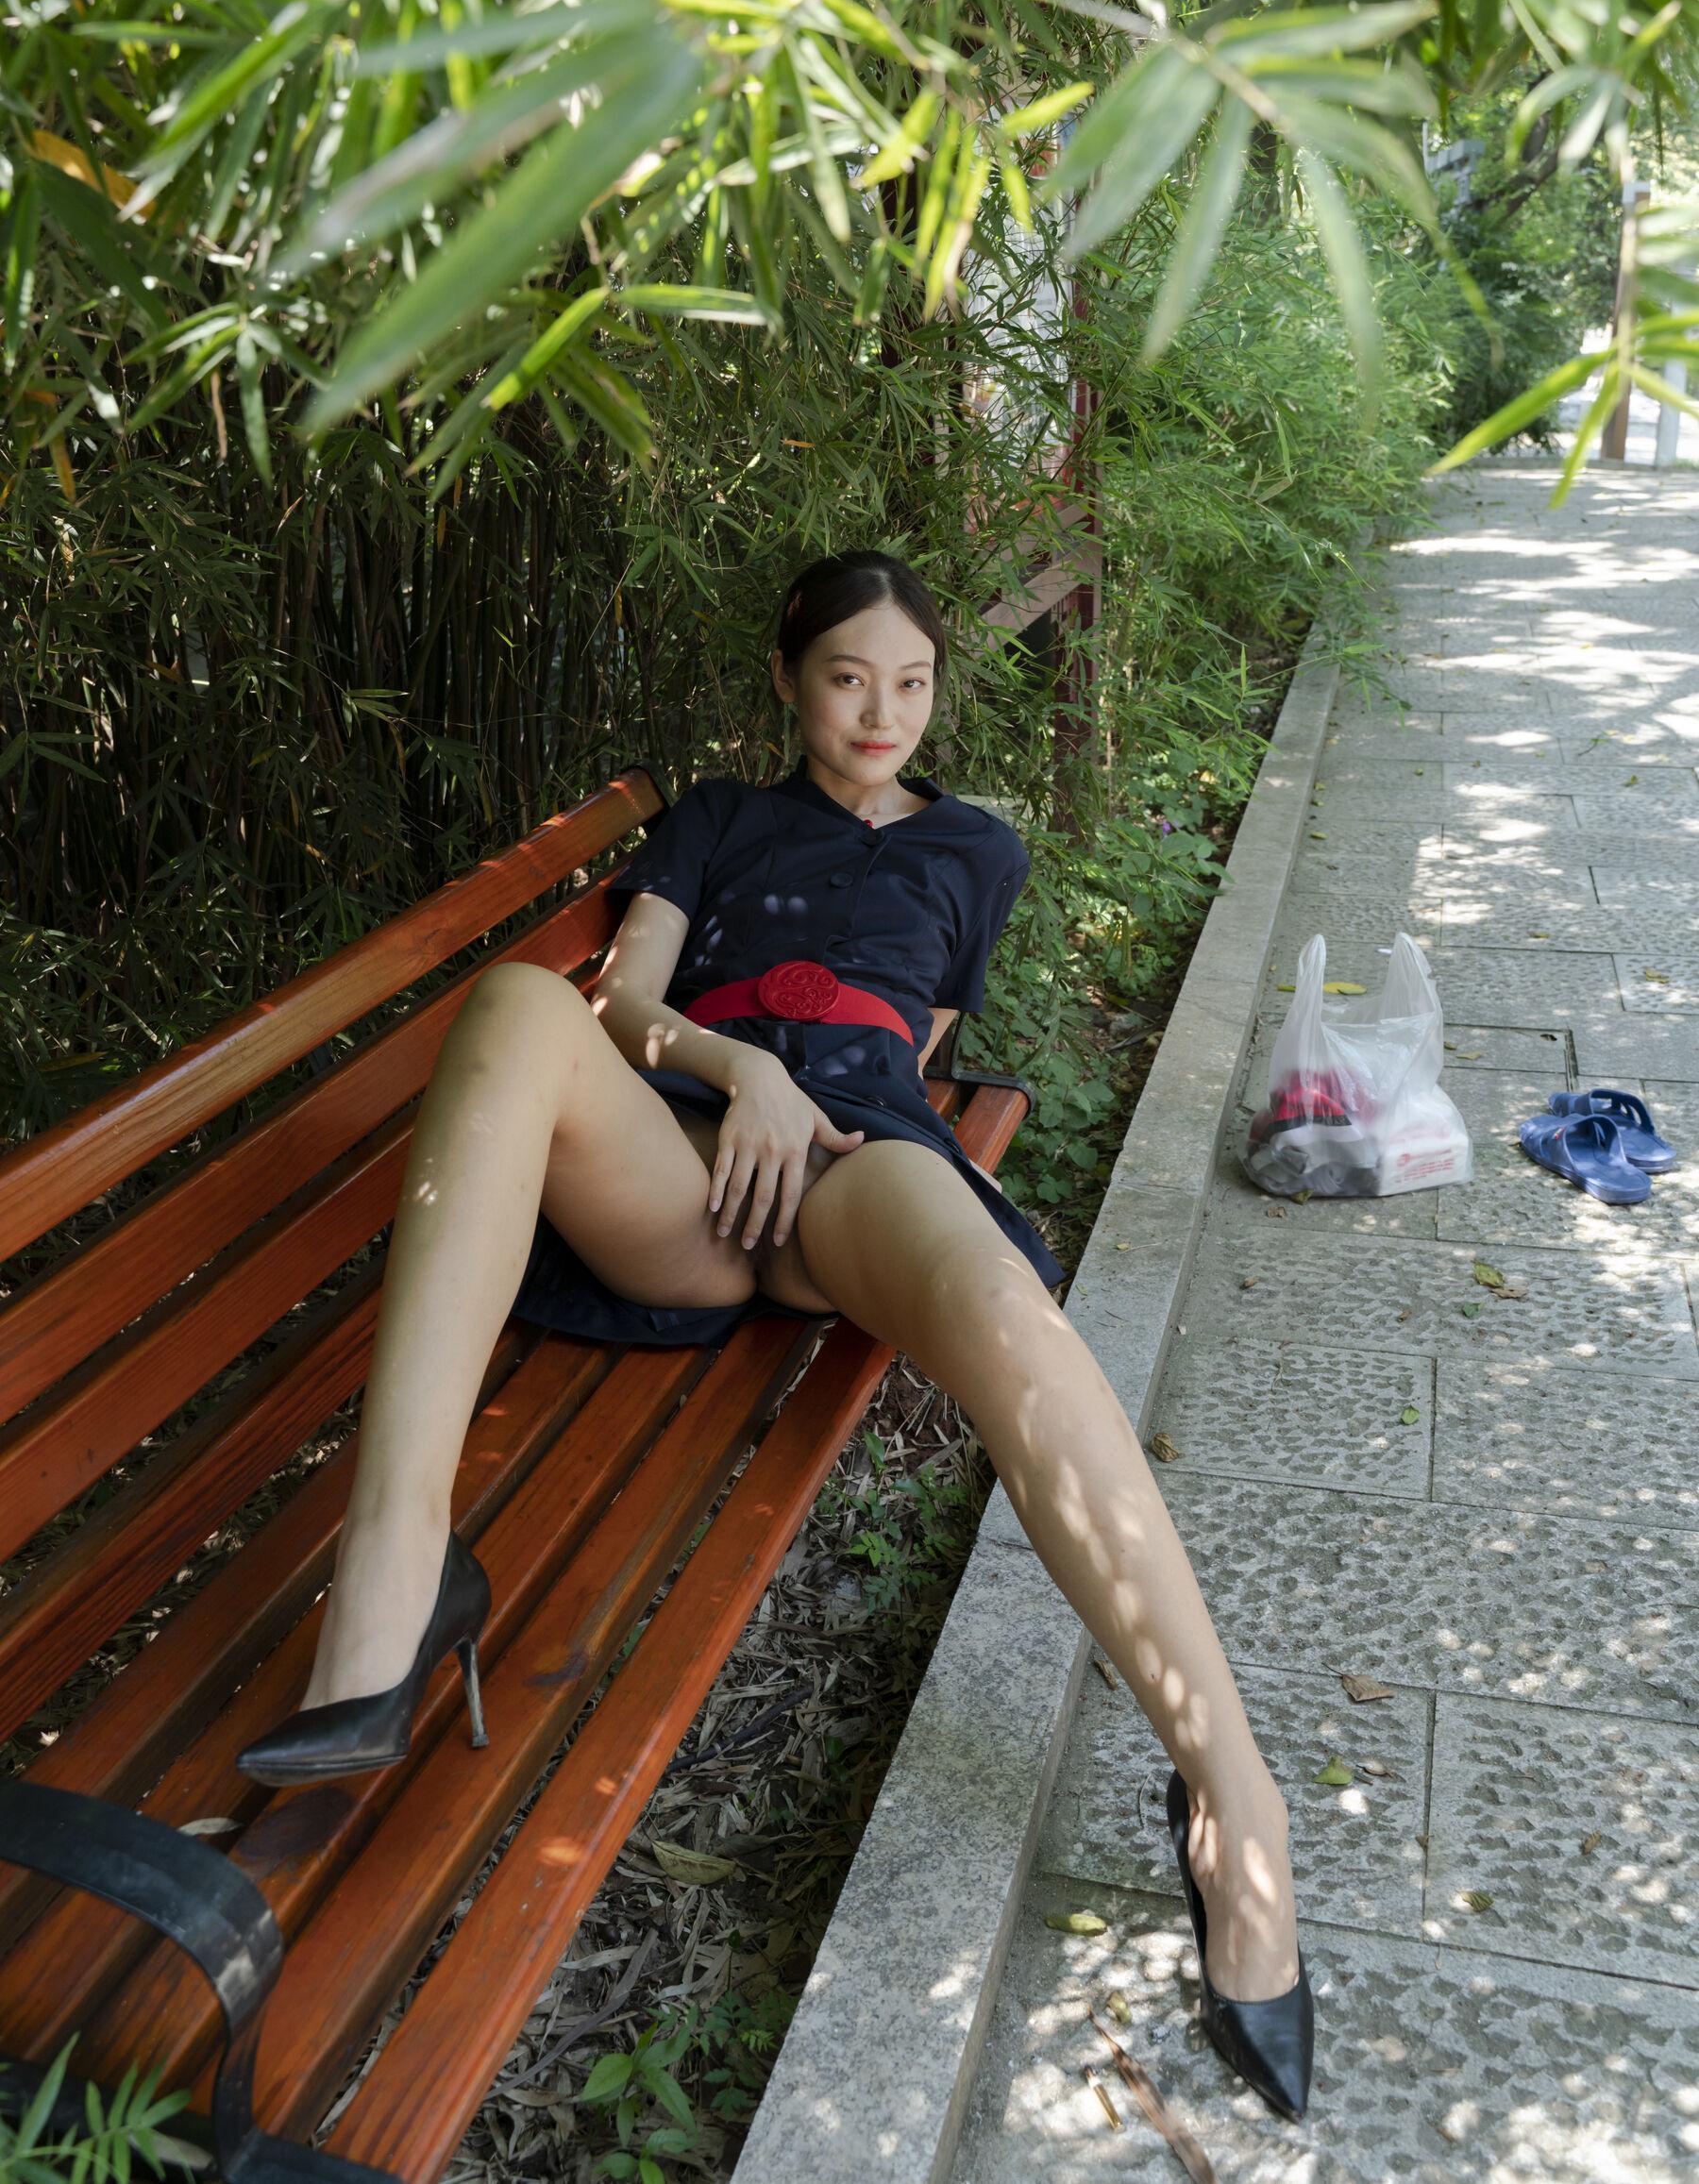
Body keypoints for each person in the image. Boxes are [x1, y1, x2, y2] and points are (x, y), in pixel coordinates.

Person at [236, 548, 1312, 2118]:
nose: (882, 712)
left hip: (859, 1162)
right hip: (681, 1152)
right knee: (517, 1006)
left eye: (912, 682)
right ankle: (396, 1568)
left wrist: (828, 1120)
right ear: (791, 680)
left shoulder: (978, 849)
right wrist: (740, 1071)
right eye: (848, 678)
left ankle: (1234, 1801)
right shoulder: (721, 818)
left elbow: (917, 1042)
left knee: (1008, 1317)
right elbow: (620, 1003)